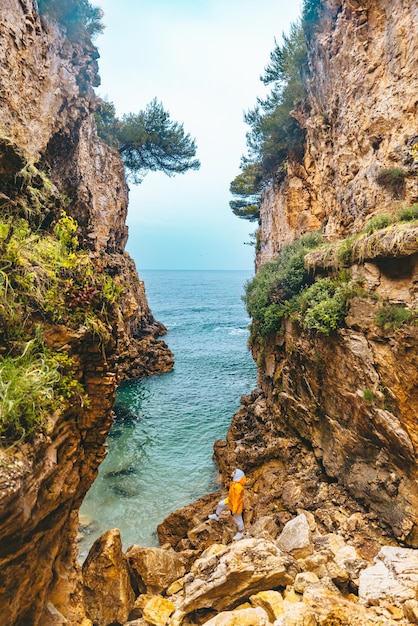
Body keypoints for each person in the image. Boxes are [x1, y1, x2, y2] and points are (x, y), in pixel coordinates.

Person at [208, 468, 246, 540]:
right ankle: (216, 516)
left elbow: (237, 500)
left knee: (238, 519)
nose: (232, 473)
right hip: (230, 500)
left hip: (235, 505)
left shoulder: (238, 487)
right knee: (220, 504)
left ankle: (241, 532)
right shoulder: (234, 483)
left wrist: (234, 509)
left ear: (237, 476)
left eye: (234, 473)